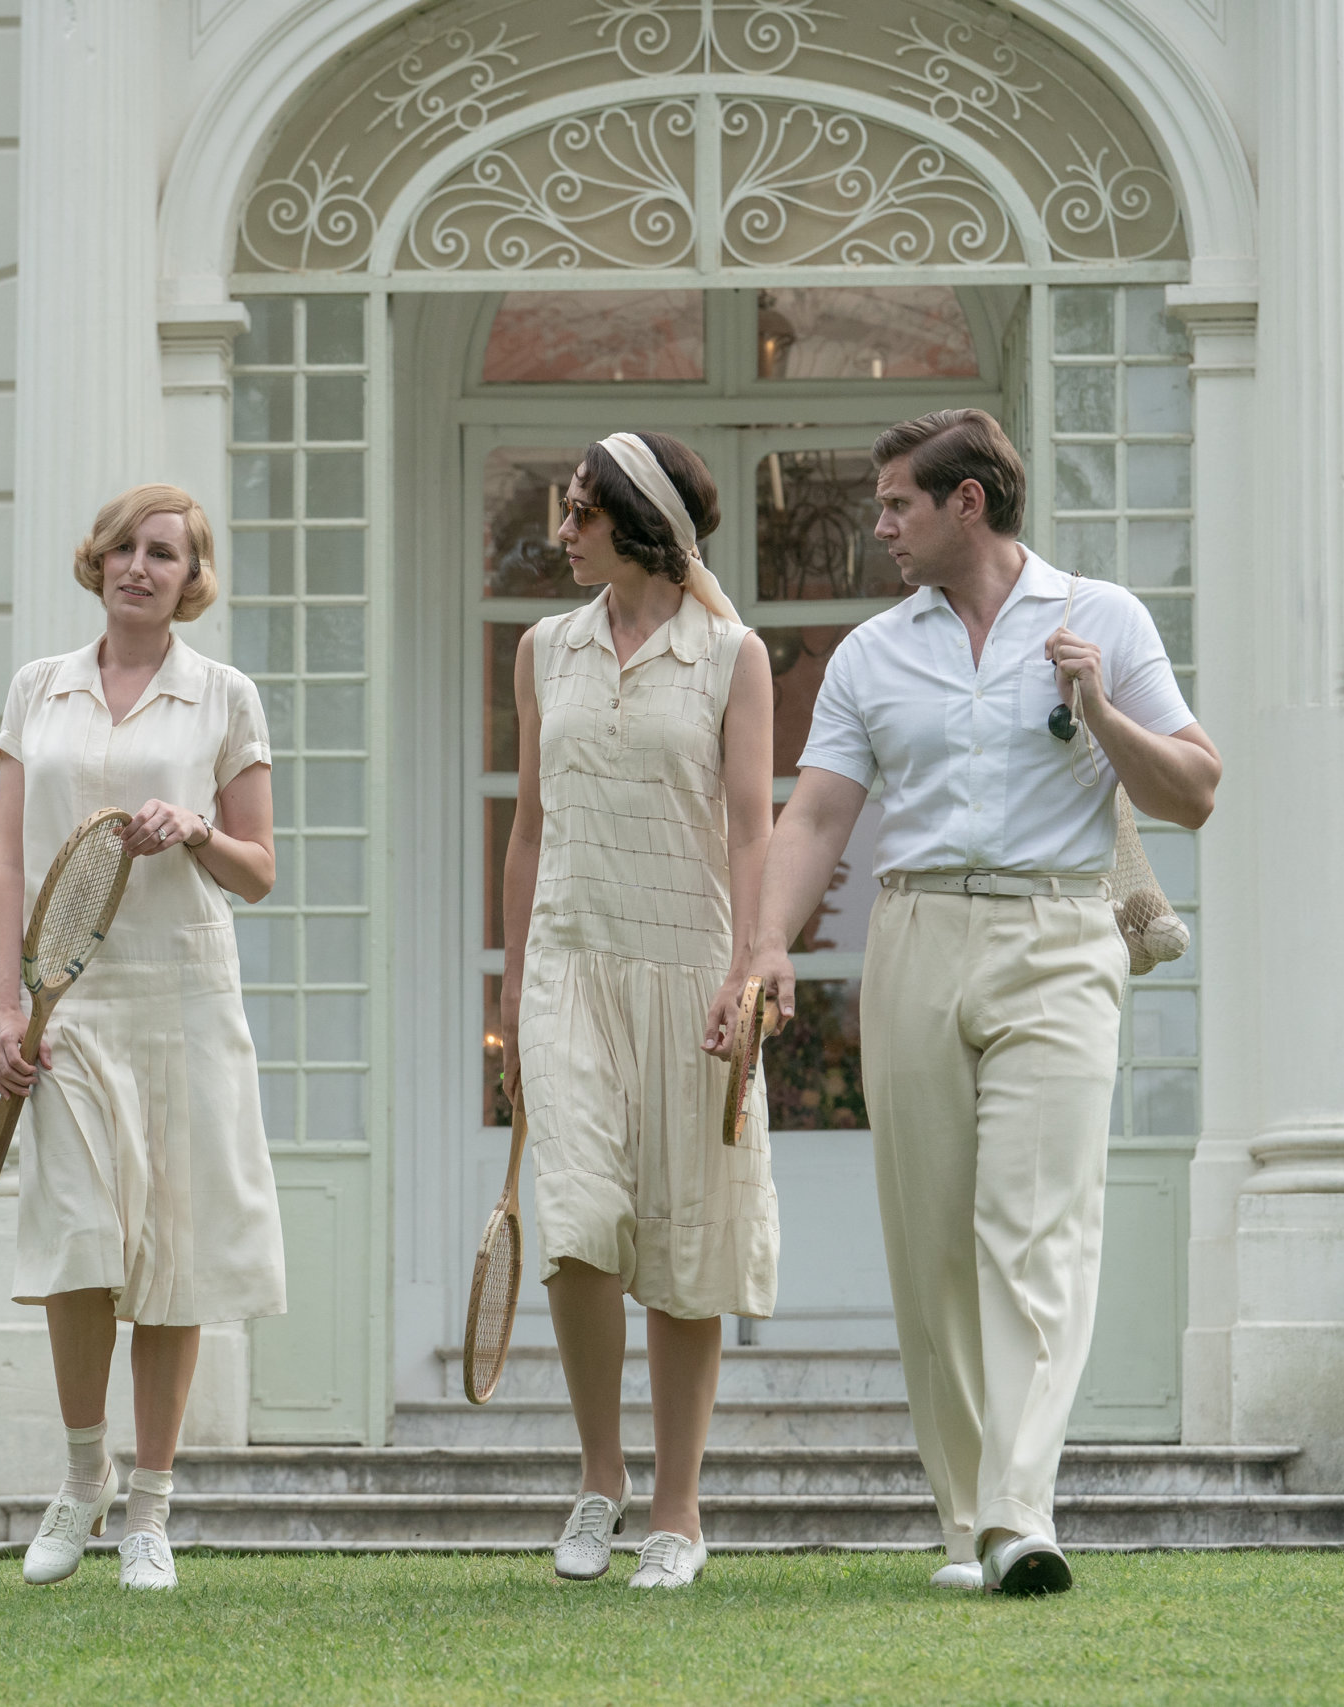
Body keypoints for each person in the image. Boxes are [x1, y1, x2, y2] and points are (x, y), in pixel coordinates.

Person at [758, 409, 1220, 1596]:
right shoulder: (870, 652)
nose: (880, 525)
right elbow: (814, 817)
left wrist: (1102, 711)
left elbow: (1196, 791)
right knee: (932, 1246)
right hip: (913, 935)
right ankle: (968, 1519)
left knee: (1037, 1227)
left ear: (968, 504)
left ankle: (1022, 1510)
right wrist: (760, 947)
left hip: (1060, 934)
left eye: (898, 504)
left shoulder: (1101, 618)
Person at [0, 483, 284, 1592]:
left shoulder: (223, 697)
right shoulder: (37, 690)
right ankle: (81, 1480)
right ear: (96, 561)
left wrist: (198, 827)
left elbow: (258, 869)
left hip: (185, 1003)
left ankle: (150, 1509)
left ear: (189, 577)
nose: (139, 568)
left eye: (163, 554)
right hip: (69, 1008)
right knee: (76, 1247)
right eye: (122, 548)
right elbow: (11, 862)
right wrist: (4, 1008)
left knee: (172, 1253)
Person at [500, 431, 780, 1590]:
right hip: (568, 967)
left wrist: (749, 974)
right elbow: (526, 827)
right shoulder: (540, 650)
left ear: (636, 522)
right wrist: (511, 994)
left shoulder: (733, 656)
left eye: (578, 514)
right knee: (574, 1225)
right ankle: (598, 1480)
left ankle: (676, 1507)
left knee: (684, 1235)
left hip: (690, 973)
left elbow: (755, 827)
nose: (560, 534)